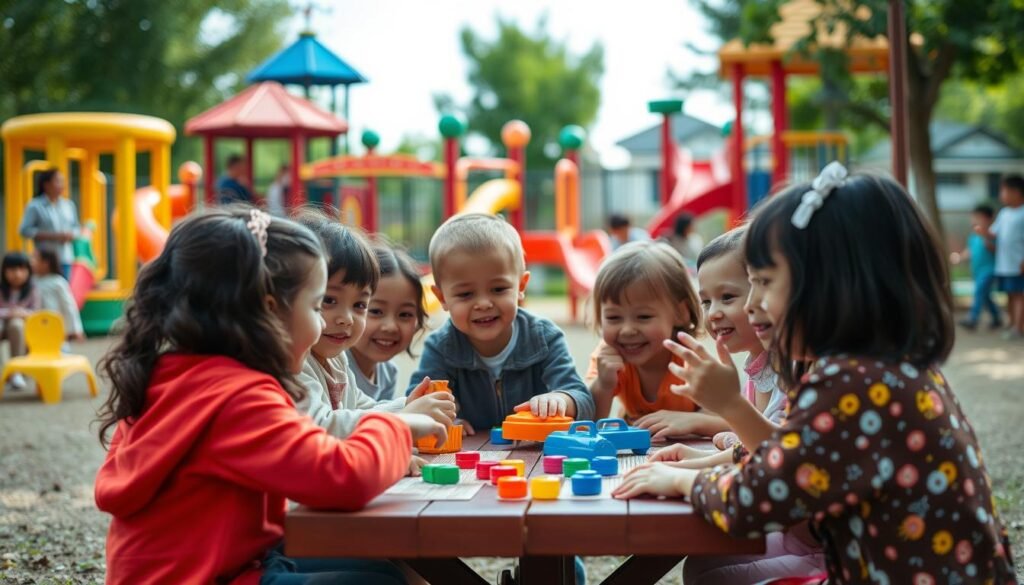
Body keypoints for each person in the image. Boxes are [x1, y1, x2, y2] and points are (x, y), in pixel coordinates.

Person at [613, 163, 1016, 584]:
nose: (755, 306)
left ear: (829, 284)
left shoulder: (852, 382)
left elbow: (762, 498)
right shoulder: (890, 366)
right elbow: (788, 463)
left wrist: (682, 479)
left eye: (766, 283)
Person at [94, 207, 442, 584]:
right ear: (272, 311)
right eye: (316, 306)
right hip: (214, 575)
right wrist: (401, 426)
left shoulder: (173, 374)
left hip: (219, 565)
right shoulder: (238, 396)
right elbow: (341, 477)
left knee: (384, 570)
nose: (325, 323)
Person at [650, 228, 823, 584]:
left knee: (709, 572)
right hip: (798, 530)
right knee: (701, 565)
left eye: (729, 296)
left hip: (825, 550)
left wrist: (690, 475)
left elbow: (781, 461)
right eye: (707, 301)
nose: (713, 314)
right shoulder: (768, 367)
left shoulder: (816, 371)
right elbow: (761, 447)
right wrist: (700, 454)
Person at [407, 213, 596, 434]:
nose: (484, 303)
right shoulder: (442, 347)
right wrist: (441, 420)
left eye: (498, 289)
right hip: (472, 457)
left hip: (535, 453)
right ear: (442, 299)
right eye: (466, 294)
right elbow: (417, 402)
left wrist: (561, 399)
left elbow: (583, 399)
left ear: (521, 286)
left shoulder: (543, 338)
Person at [293, 211, 455, 455]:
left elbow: (361, 407)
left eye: (359, 305)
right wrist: (400, 421)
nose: (346, 318)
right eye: (328, 300)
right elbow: (321, 427)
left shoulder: (334, 359)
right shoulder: (295, 364)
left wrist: (406, 405)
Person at [587, 241, 725, 440]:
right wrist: (603, 384)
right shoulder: (607, 357)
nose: (627, 330)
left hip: (686, 458)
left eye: (643, 317)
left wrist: (691, 420)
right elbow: (588, 421)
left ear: (680, 313)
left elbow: (731, 419)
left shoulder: (690, 360)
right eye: (613, 318)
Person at [347, 240, 429, 401]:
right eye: (376, 311)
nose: (390, 327)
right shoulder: (335, 369)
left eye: (405, 314)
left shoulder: (388, 372)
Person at [18, 169, 79, 279]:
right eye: (58, 181)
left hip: (65, 257)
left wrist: (71, 235)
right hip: (44, 261)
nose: (62, 185)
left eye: (62, 181)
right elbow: (24, 230)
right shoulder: (35, 205)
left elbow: (76, 228)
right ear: (46, 184)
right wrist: (53, 236)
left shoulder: (68, 205)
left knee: (63, 290)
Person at [951, 203, 1002, 331]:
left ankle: (972, 319)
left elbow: (996, 250)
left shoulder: (992, 235)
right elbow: (970, 251)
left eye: (979, 217)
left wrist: (986, 237)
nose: (975, 220)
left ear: (989, 218)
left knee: (979, 292)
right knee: (985, 296)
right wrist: (959, 257)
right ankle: (996, 317)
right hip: (977, 270)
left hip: (990, 270)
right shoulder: (973, 236)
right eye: (974, 217)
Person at [992, 174, 1024, 340]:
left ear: (1016, 192)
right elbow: (993, 233)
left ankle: (1018, 327)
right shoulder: (1004, 213)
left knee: (1019, 295)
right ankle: (1012, 324)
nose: (1001, 195)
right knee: (1010, 295)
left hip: (1018, 263)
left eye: (1004, 191)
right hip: (1004, 263)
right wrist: (983, 233)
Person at [1, 252, 39, 391]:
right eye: (11, 270)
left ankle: (16, 371)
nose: (17, 274)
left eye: (21, 269)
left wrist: (21, 313)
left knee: (17, 325)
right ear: (4, 271)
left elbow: (36, 312)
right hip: (2, 324)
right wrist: (10, 313)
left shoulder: (32, 290)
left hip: (22, 327)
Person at [31, 248, 85, 343]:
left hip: (54, 324)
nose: (31, 262)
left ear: (46, 263)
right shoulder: (32, 281)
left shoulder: (58, 282)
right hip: (36, 323)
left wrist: (76, 329)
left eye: (35, 259)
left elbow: (69, 306)